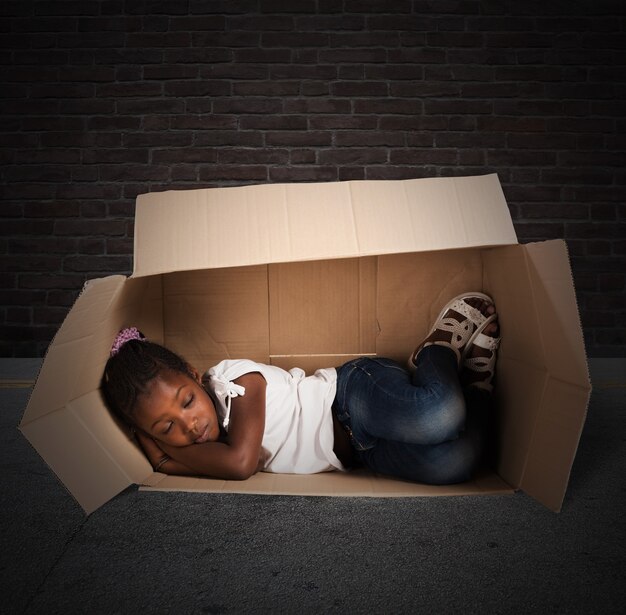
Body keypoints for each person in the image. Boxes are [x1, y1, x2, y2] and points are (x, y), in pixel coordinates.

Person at [100, 292, 500, 485]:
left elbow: (242, 464)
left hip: (351, 396)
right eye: (166, 428)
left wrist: (165, 458)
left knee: (436, 417)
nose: (188, 426)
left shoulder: (235, 380)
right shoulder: (208, 448)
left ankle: (438, 352)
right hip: (366, 454)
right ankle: (475, 390)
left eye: (186, 401)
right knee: (457, 463)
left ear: (192, 372)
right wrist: (164, 455)